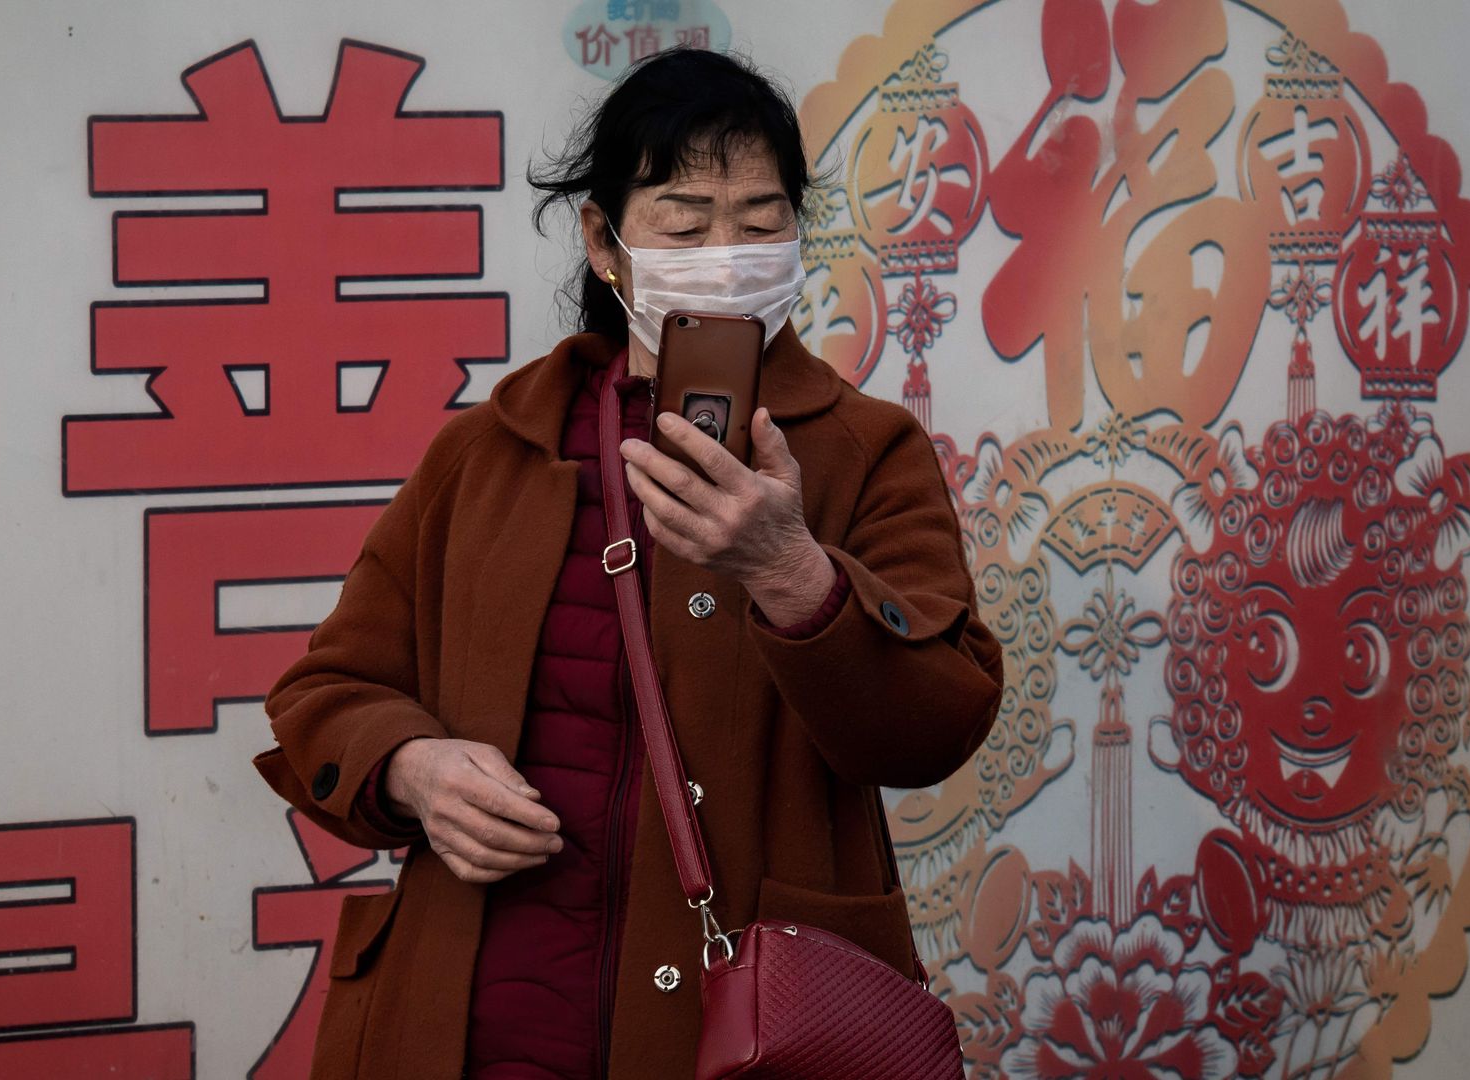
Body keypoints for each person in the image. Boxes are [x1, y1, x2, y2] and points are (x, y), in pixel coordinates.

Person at [254, 46, 1003, 1080]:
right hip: (480, 1022)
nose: (728, 252)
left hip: (734, 1037)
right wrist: (411, 768)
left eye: (761, 219)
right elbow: (325, 691)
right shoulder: (493, 450)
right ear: (605, 242)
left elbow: (940, 722)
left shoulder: (863, 448)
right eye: (686, 222)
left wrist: (790, 570)